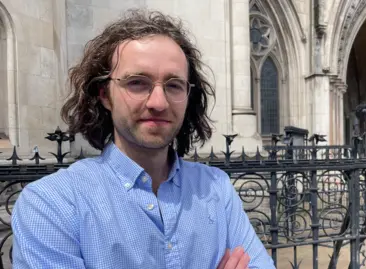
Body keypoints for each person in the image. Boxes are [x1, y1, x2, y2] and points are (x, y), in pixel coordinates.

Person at [11, 9, 275, 269]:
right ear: (105, 95)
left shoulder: (217, 189)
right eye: (137, 82)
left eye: (173, 85)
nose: (158, 102)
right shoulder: (50, 205)